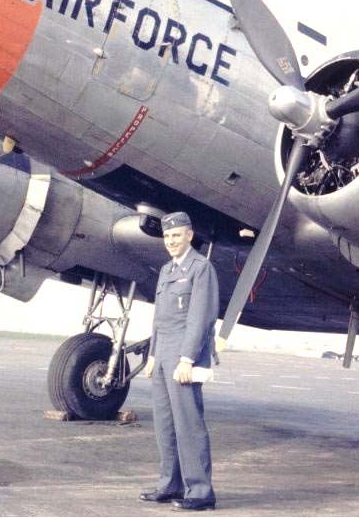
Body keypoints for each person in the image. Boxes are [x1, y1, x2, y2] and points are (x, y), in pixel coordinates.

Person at [140, 211, 219, 511]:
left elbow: (200, 317)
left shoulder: (201, 268)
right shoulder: (166, 270)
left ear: (189, 235)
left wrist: (187, 359)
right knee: (165, 423)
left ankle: (200, 491)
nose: (171, 241)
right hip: (162, 356)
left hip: (183, 355)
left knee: (188, 424)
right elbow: (160, 318)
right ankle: (169, 484)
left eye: (177, 235)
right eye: (167, 237)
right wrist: (152, 355)